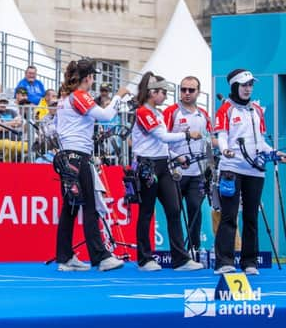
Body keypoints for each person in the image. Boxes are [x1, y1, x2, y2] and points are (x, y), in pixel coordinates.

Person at [54, 59, 128, 272]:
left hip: (67, 155)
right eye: (93, 77)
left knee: (70, 207)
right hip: (78, 156)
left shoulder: (64, 98)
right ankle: (101, 256)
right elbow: (106, 116)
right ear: (88, 78)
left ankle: (65, 256)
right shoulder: (79, 95)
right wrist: (118, 97)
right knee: (89, 206)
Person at [213, 69, 286, 275]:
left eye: (250, 85)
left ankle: (249, 262)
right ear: (235, 86)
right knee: (229, 216)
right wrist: (224, 149)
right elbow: (222, 135)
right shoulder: (226, 109)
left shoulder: (256, 110)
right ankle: (224, 261)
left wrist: (275, 153)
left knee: (252, 217)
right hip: (231, 168)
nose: (248, 89)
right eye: (244, 85)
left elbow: (260, 141)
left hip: (255, 170)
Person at [132, 72, 203, 271]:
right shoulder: (143, 112)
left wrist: (176, 156)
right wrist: (187, 135)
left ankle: (180, 259)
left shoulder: (156, 113)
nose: (165, 96)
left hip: (163, 164)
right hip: (147, 166)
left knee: (174, 209)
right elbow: (162, 136)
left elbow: (161, 143)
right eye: (162, 92)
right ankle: (145, 259)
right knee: (146, 212)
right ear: (151, 92)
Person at [162, 76, 213, 259]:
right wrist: (177, 157)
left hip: (197, 172)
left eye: (191, 90)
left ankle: (194, 249)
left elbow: (208, 141)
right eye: (183, 89)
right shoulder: (171, 112)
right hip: (175, 172)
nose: (186, 93)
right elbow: (162, 140)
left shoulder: (203, 114)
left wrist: (211, 167)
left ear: (198, 92)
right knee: (174, 212)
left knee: (195, 209)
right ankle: (177, 251)